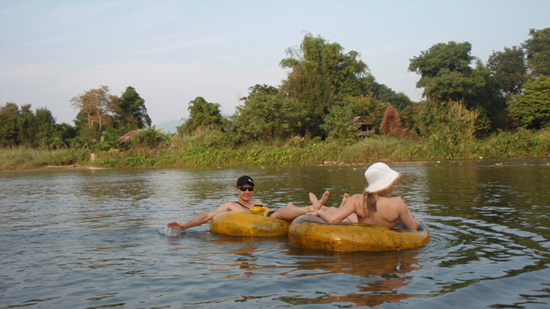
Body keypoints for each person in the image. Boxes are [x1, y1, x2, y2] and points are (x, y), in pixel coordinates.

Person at [166, 175, 328, 231]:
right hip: (267, 220)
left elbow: (272, 212)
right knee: (279, 212)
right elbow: (208, 215)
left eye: (250, 189)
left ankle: (314, 209)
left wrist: (289, 210)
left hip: (270, 218)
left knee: (280, 212)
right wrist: (185, 226)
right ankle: (309, 208)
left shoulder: (258, 201)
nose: (247, 192)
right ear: (237, 190)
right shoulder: (231, 206)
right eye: (243, 188)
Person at [311, 162, 418, 230]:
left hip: (360, 259)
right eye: (392, 181)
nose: (394, 183)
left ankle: (319, 206)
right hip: (387, 259)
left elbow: (333, 220)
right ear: (385, 185)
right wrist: (408, 214)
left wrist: (319, 212)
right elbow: (413, 229)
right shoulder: (397, 203)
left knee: (345, 215)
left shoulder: (356, 200)